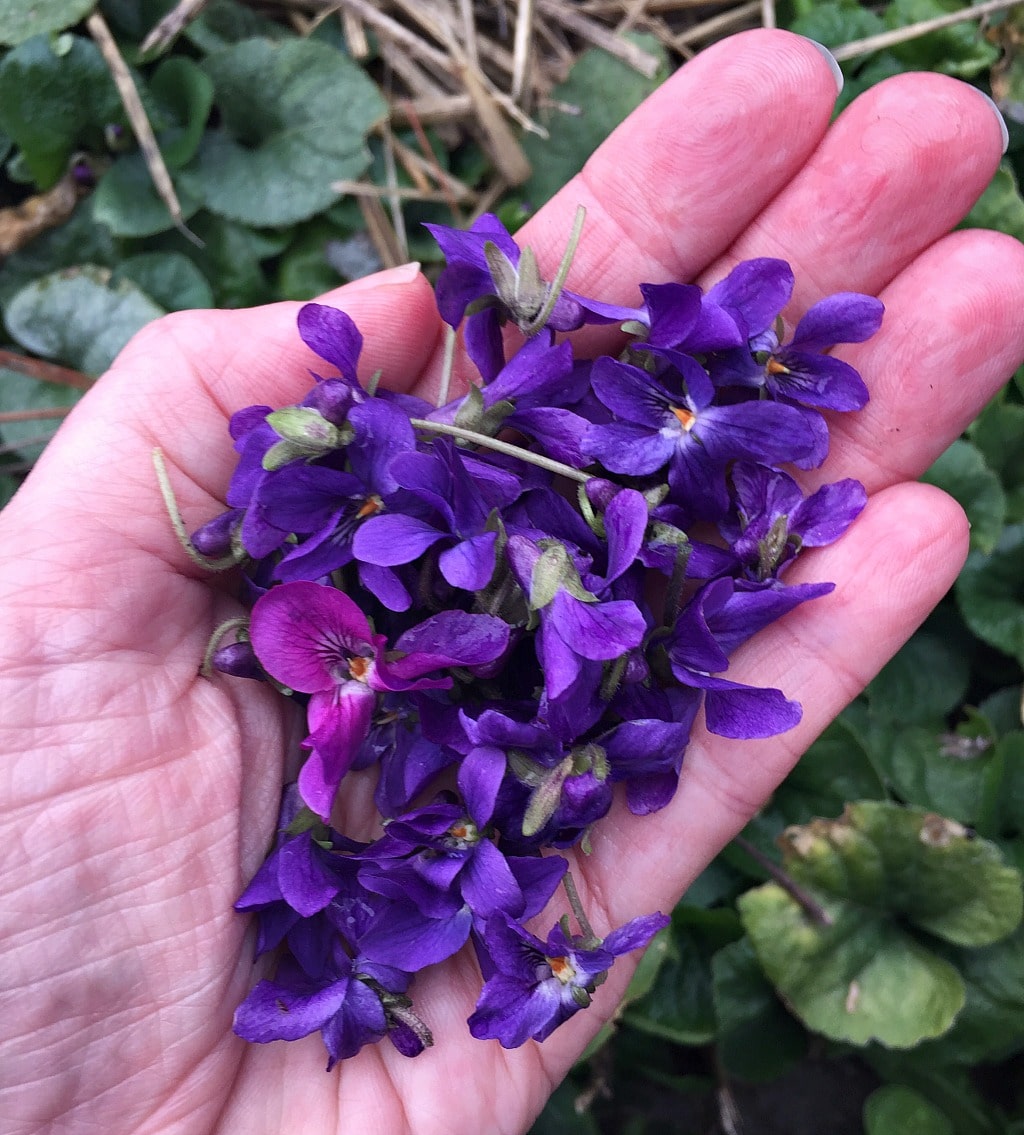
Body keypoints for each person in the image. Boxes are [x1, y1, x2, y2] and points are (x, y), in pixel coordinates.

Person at [1, 27, 1020, 1135]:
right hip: (485, 617)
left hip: (542, 587)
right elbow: (414, 644)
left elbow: (481, 627)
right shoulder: (400, 616)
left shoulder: (501, 550)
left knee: (555, 590)